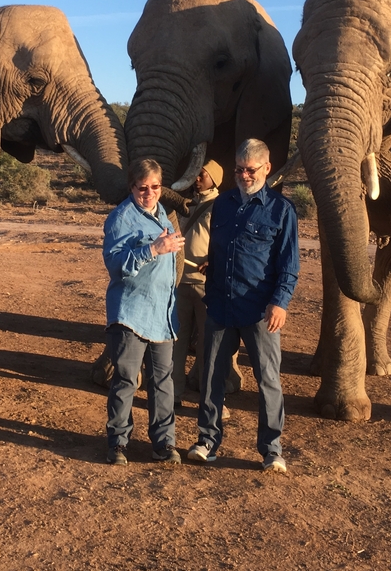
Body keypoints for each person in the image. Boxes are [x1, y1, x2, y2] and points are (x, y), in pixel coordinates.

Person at [188, 139, 299, 472]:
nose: (244, 175)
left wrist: (280, 303)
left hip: (260, 311)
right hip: (220, 306)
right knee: (211, 377)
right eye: (239, 169)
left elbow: (289, 265)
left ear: (267, 168)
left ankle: (271, 450)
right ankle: (207, 441)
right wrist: (212, 270)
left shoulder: (282, 210)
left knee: (268, 381)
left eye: (250, 170)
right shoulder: (222, 204)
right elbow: (219, 250)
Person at [103, 158, 185, 466]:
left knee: (163, 381)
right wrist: (153, 250)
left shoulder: (163, 215)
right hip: (131, 313)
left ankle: (164, 443)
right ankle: (117, 443)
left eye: (155, 187)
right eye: (142, 188)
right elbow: (115, 266)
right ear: (131, 187)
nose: (149, 193)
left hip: (162, 314)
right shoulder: (120, 219)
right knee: (126, 380)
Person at [172, 159, 222, 406]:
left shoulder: (221, 207)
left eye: (203, 174)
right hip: (180, 281)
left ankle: (209, 400)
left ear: (215, 179)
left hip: (205, 286)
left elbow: (227, 244)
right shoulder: (185, 204)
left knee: (207, 345)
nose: (197, 178)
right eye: (196, 174)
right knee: (176, 342)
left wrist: (215, 261)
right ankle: (172, 395)